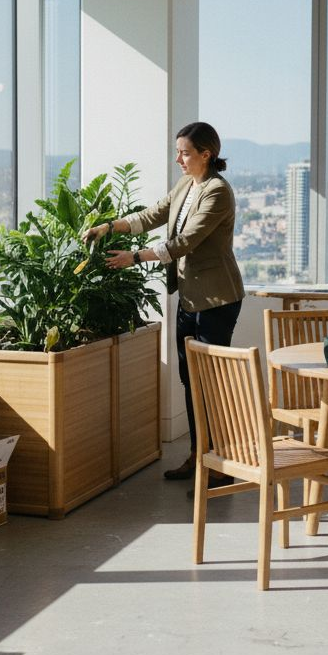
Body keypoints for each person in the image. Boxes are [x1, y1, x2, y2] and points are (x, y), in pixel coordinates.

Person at [82, 121, 245, 484]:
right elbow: (152, 215)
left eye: (185, 153)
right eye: (178, 152)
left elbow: (184, 242)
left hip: (217, 299)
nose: (179, 159)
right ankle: (198, 454)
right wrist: (108, 227)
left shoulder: (217, 192)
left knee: (211, 381)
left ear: (207, 154)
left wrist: (135, 257)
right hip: (189, 298)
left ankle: (220, 464)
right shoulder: (187, 185)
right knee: (191, 379)